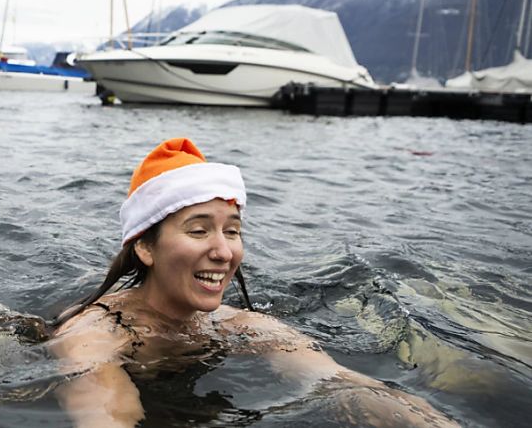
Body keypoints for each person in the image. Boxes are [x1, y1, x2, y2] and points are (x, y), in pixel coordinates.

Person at [50, 138, 459, 428]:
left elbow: (340, 384)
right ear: (145, 247)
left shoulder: (238, 325)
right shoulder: (95, 335)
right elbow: (106, 414)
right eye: (198, 231)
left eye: (232, 231)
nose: (224, 252)